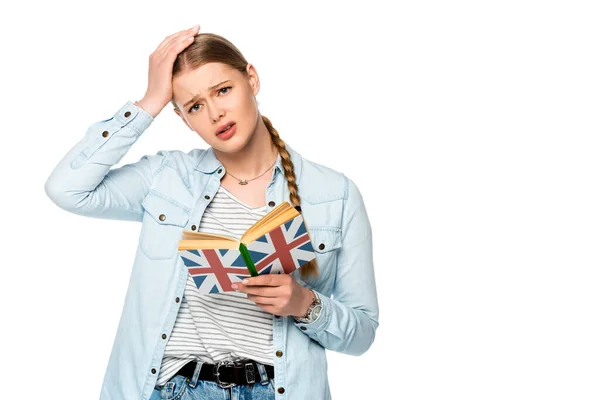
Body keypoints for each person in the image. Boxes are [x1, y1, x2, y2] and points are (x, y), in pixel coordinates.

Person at [44, 24, 379, 400]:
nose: (216, 113)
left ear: (251, 78)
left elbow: (363, 333)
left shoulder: (335, 194)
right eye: (195, 106)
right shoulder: (166, 177)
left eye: (223, 90)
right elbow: (67, 188)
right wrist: (150, 102)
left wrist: (304, 304)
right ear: (182, 118)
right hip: (170, 389)